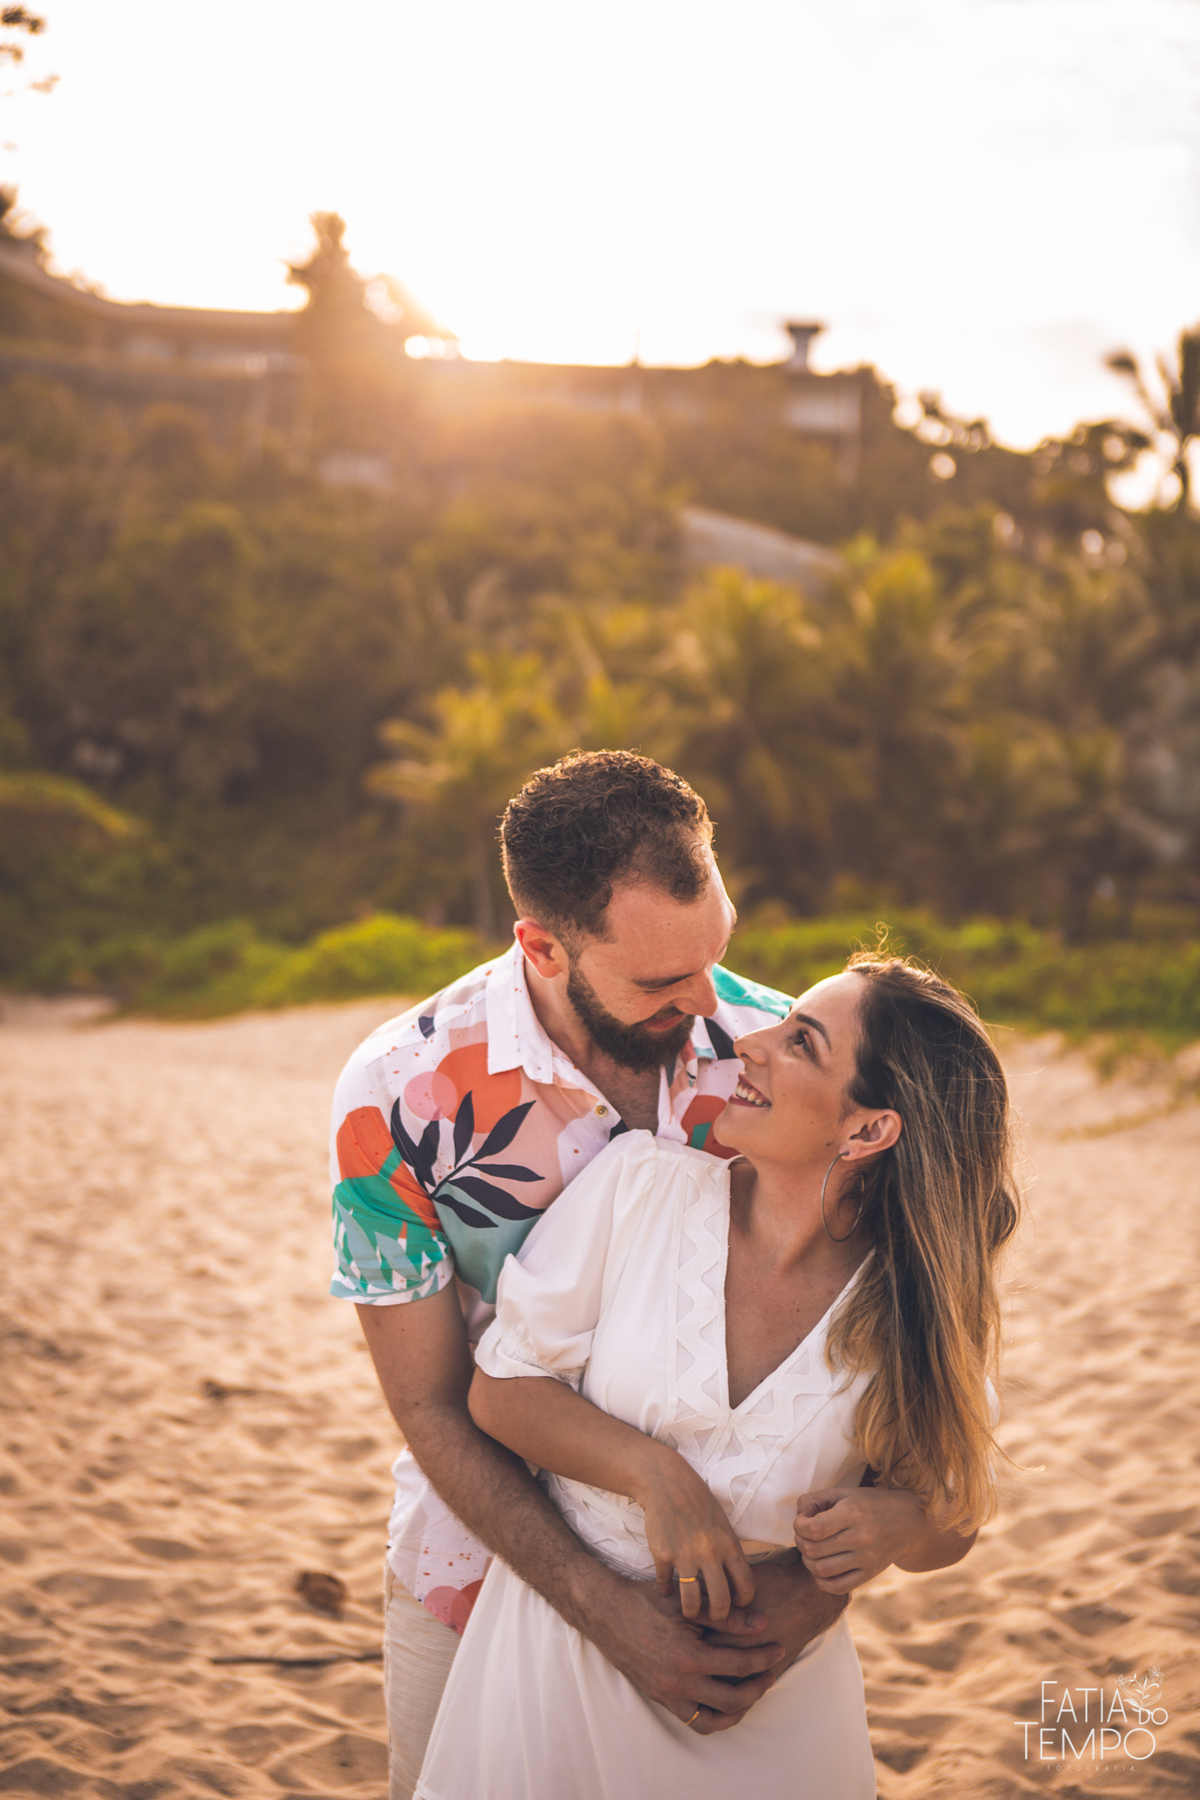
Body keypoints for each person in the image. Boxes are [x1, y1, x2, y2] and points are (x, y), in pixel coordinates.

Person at [329, 751, 851, 1799]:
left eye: (717, 953)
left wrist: (804, 1600)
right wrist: (600, 1608)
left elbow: (867, 1336)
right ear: (543, 946)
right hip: (470, 1572)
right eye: (663, 981)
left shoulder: (782, 1059)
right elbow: (431, 1406)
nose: (711, 1003)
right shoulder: (396, 1092)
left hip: (735, 1604)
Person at [415, 954, 1019, 1799]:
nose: (754, 1043)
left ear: (868, 1131)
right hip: (552, 1674)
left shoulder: (914, 1311)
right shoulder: (639, 1190)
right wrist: (655, 1474)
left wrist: (897, 1526)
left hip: (764, 1710)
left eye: (801, 1042)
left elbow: (950, 1517)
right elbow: (500, 1391)